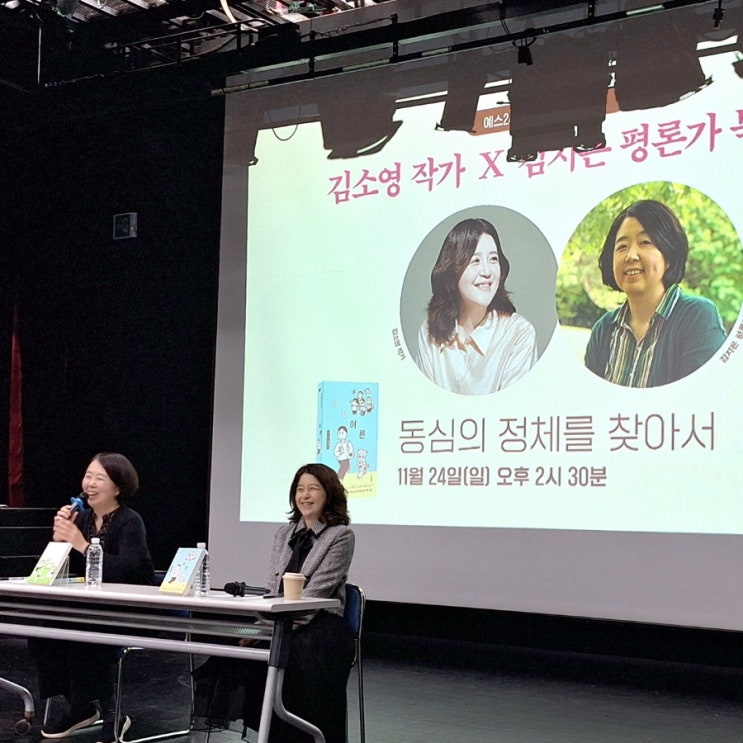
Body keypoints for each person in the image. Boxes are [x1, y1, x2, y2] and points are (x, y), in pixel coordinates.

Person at [193, 462, 355, 743]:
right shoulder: (284, 533)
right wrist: (261, 628)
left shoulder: (340, 535)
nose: (305, 495)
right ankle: (268, 734)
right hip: (279, 620)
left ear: (329, 493)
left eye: (313, 489)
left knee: (292, 660)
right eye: (300, 489)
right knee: (230, 651)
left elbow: (315, 596)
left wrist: (269, 631)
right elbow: (272, 588)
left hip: (320, 625)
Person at [31, 452, 156, 743]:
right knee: (42, 634)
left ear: (118, 487)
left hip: (132, 609)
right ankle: (81, 706)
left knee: (86, 635)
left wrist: (80, 543)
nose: (91, 484)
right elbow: (53, 571)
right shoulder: (82, 518)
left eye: (100, 478)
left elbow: (127, 570)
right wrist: (58, 540)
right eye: (88, 476)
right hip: (89, 606)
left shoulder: (130, 521)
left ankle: (112, 711)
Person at [584, 199, 727, 387]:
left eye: (645, 242)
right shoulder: (603, 330)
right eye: (622, 247)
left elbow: (700, 398)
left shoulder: (698, 317)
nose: (630, 256)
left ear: (668, 256)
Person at [416, 217, 538, 395]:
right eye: (475, 261)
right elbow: (424, 403)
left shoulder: (519, 333)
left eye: (493, 259)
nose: (487, 272)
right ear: (452, 269)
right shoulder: (429, 332)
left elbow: (511, 407)